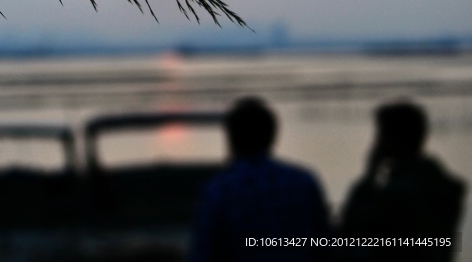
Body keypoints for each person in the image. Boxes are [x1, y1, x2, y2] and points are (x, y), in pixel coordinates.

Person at [190, 97, 330, 262]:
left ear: (231, 138)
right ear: (272, 136)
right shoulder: (304, 183)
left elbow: (203, 253)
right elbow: (324, 247)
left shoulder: (219, 192)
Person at [338, 101, 465, 262]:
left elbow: (350, 234)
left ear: (390, 139)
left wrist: (369, 176)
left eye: (380, 134)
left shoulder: (396, 195)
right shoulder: (443, 186)